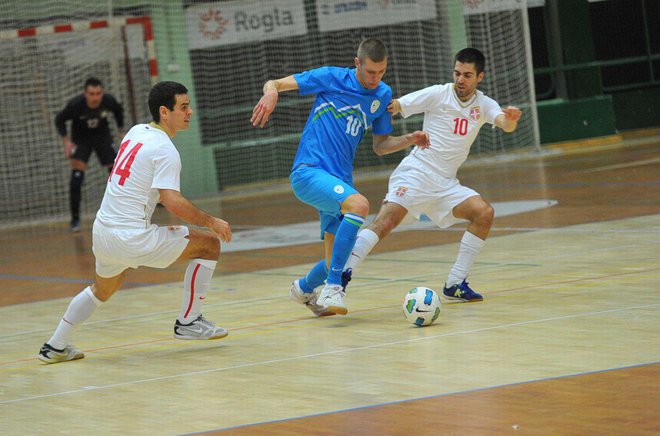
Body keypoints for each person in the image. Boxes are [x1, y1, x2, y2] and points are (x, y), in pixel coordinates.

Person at [38, 81, 232, 364]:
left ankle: (55, 345)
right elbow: (172, 201)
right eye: (184, 107)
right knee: (210, 245)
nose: (190, 112)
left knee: (101, 290)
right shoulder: (165, 149)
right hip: (131, 236)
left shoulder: (136, 131)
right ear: (165, 112)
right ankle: (189, 322)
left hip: (103, 233)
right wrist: (211, 221)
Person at [251, 38, 430, 316]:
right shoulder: (331, 77)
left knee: (337, 255)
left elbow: (380, 146)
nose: (376, 78)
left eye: (381, 72)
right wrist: (271, 93)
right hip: (309, 172)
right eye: (370, 71)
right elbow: (275, 83)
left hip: (340, 180)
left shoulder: (382, 94)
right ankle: (334, 287)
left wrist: (410, 138)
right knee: (359, 206)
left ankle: (303, 289)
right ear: (357, 63)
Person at [344, 48, 522, 302]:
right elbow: (394, 106)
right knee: (387, 221)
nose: (460, 79)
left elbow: (504, 124)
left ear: (480, 77)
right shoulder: (438, 93)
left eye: (467, 75)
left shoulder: (484, 104)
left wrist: (511, 119)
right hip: (416, 173)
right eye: (457, 73)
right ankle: (344, 272)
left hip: (446, 184)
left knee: (483, 213)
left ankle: (456, 282)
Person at [55, 77, 125, 232]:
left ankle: (121, 215)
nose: (95, 98)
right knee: (76, 178)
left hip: (102, 137)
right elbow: (59, 119)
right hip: (81, 139)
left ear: (103, 93)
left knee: (116, 174)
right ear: (85, 94)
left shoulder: (108, 101)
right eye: (92, 94)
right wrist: (67, 142)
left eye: (98, 94)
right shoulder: (75, 105)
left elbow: (118, 111)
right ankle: (75, 220)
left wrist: (121, 132)